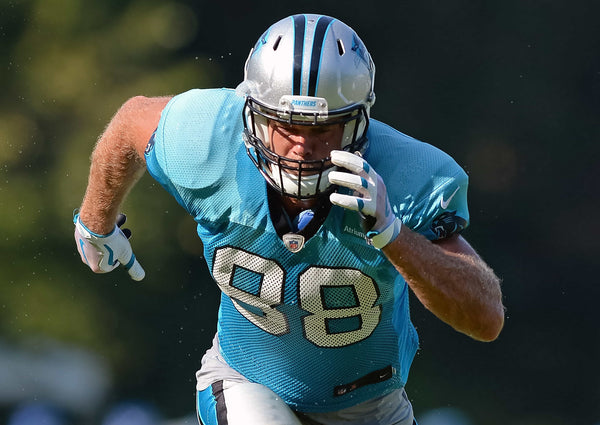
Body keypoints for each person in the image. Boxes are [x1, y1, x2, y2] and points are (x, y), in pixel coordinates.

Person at [73, 13, 504, 425]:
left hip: (369, 404)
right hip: (246, 381)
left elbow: (485, 318)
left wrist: (394, 234)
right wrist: (95, 223)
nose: (302, 146)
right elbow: (131, 122)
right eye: (287, 125)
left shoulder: (406, 177)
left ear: (358, 122)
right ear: (253, 113)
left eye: (323, 129)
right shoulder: (209, 139)